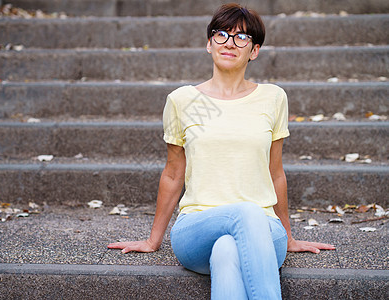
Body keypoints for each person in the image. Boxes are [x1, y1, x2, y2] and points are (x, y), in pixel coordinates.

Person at [108, 3, 335, 299]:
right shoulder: (182, 100)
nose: (229, 42)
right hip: (197, 229)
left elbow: (275, 172)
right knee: (245, 213)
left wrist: (289, 237)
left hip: (266, 232)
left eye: (241, 37)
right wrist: (154, 240)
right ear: (208, 44)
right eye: (221, 34)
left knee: (227, 250)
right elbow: (174, 172)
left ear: (254, 51)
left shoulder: (273, 97)